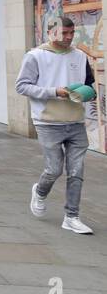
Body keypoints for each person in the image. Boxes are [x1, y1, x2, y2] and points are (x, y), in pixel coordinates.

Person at [17, 15, 96, 234]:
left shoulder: (80, 56)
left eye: (72, 33)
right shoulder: (35, 56)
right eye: (65, 33)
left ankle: (72, 216)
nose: (69, 37)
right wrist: (55, 92)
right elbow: (22, 86)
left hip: (75, 122)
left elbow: (89, 84)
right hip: (48, 121)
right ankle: (40, 192)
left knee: (76, 171)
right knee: (53, 169)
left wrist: (89, 93)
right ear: (51, 32)